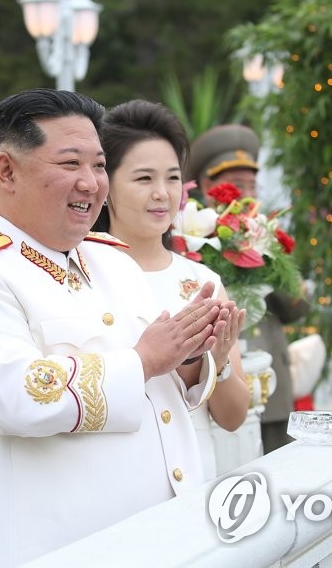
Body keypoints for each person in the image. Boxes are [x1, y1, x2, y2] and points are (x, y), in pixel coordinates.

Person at [0, 88, 230, 566]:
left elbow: (163, 393)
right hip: (56, 547)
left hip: (166, 538)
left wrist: (190, 356)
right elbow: (19, 396)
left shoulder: (112, 260)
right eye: (70, 165)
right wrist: (147, 360)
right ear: (7, 171)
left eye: (100, 165)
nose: (91, 183)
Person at [94, 100, 249, 480]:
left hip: (194, 479)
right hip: (115, 478)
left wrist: (220, 358)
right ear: (106, 184)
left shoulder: (202, 281)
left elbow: (232, 419)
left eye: (173, 177)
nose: (163, 193)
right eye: (144, 179)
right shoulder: (82, 270)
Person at [186, 124, 310, 453]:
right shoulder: (190, 233)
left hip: (272, 381)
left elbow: (298, 308)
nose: (246, 194)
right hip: (218, 382)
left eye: (251, 185)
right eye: (236, 185)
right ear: (209, 186)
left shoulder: (264, 236)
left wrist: (269, 259)